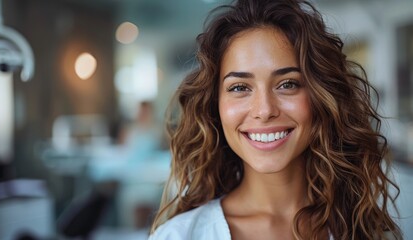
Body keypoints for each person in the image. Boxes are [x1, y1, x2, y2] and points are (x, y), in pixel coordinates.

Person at [149, 0, 402, 239]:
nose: (265, 109)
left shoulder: (363, 226)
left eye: (287, 84)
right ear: (215, 106)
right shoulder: (181, 235)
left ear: (321, 97)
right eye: (239, 87)